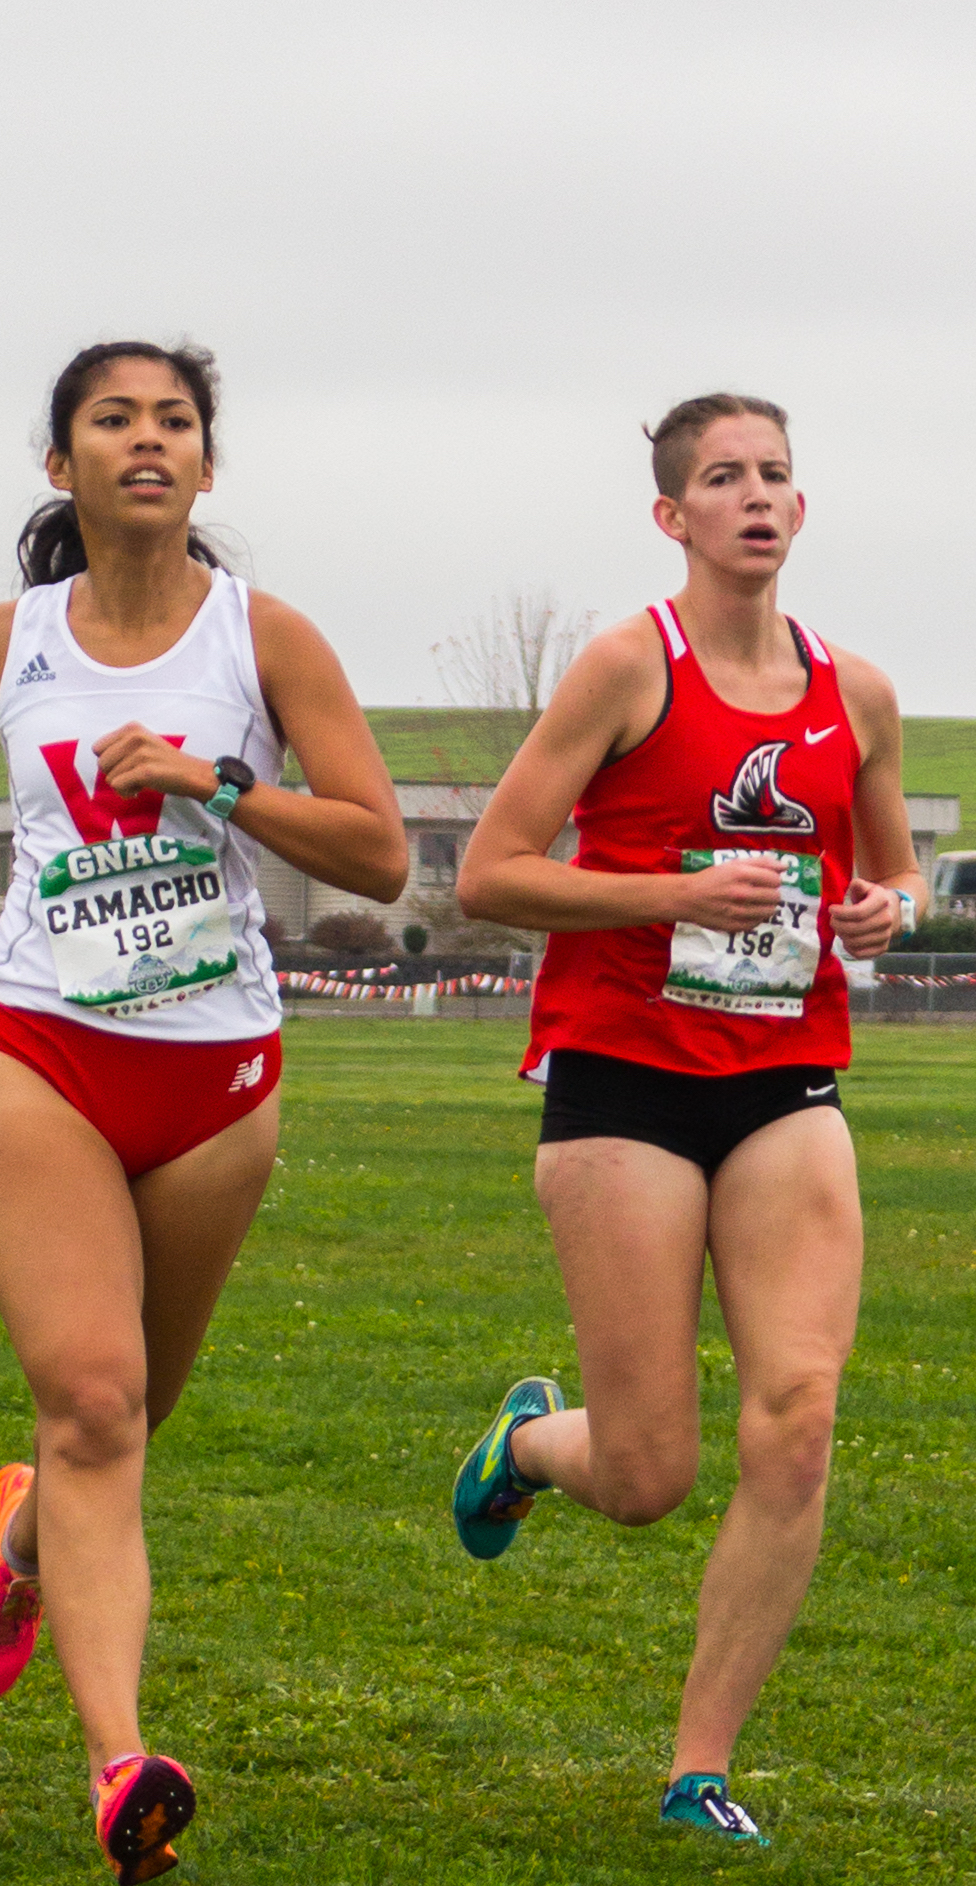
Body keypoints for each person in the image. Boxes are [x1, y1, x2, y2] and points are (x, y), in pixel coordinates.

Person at [0, 341, 407, 1882]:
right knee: (93, 1401)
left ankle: (19, 1542)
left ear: (207, 469)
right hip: (44, 1051)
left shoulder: (264, 636)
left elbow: (378, 854)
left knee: (132, 1414)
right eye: (113, 419)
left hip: (217, 1077)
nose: (146, 440)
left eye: (175, 422)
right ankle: (119, 1759)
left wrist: (218, 783)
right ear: (61, 464)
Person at [452, 394, 924, 1845]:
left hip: (785, 1079)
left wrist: (884, 908)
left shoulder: (861, 691)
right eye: (725, 478)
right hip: (626, 1079)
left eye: (777, 474)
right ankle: (530, 1445)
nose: (758, 497)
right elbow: (488, 872)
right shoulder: (624, 667)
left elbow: (897, 882)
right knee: (650, 1472)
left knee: (799, 1417)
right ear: (675, 516)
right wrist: (672, 894)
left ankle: (697, 1767)